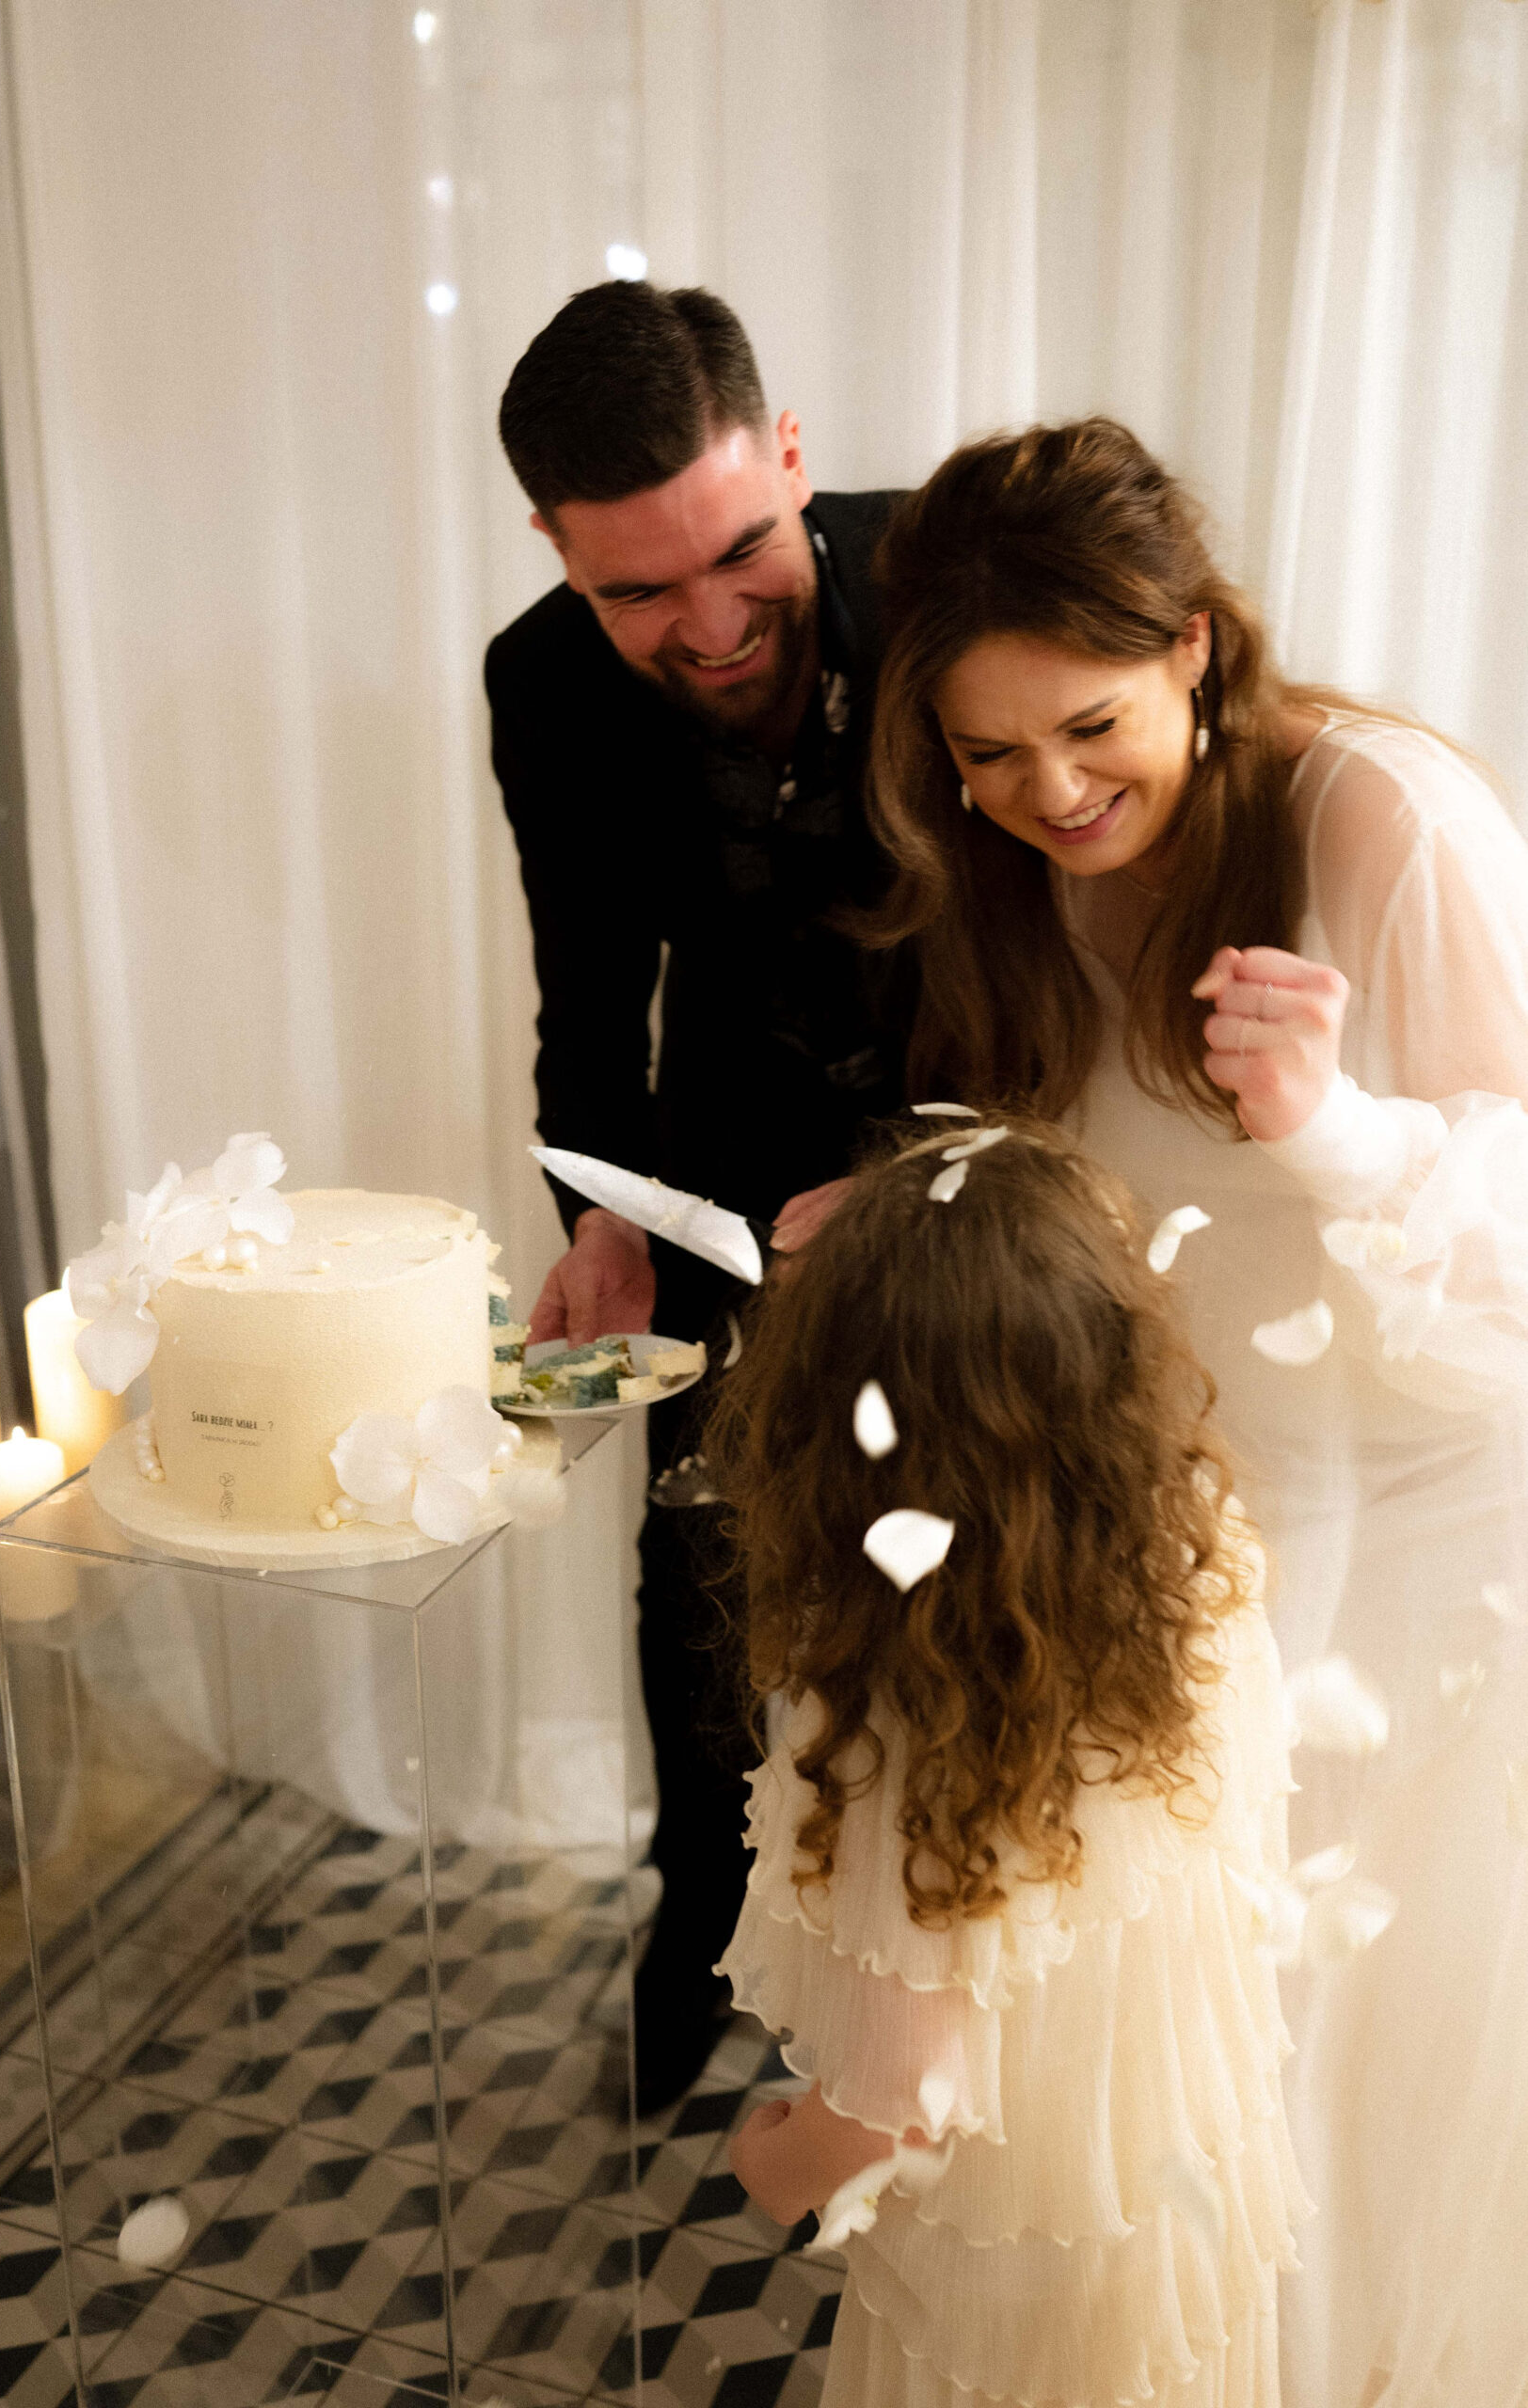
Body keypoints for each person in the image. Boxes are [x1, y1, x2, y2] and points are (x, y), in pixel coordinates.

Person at [775, 416, 1528, 2405]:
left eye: (1092, 726)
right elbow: (1085, 1164)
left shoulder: (1384, 822)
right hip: (1179, 1510)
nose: (1048, 793)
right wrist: (921, 1208)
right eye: (988, 751)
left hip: (1428, 1525)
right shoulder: (1007, 865)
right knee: (1175, 2019)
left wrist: (1342, 1130)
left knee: (1338, 2025)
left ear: (1195, 644)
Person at [486, 280, 915, 2111]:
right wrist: (599, 1212)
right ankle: (701, 1918)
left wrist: (937, 1183)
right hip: (717, 1176)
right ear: (555, 548)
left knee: (951, 1590)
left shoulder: (951, 574)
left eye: (741, 551)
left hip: (974, 1147)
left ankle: (912, 1990)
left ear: (792, 455)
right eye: (640, 593)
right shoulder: (538, 680)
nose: (714, 624)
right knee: (702, 1584)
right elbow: (590, 998)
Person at [708, 1112, 1304, 2405]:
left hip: (1018, 2287)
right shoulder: (1194, 1555)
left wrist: (777, 2165)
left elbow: (901, 2100)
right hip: (1176, 2198)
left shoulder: (915, 1724)